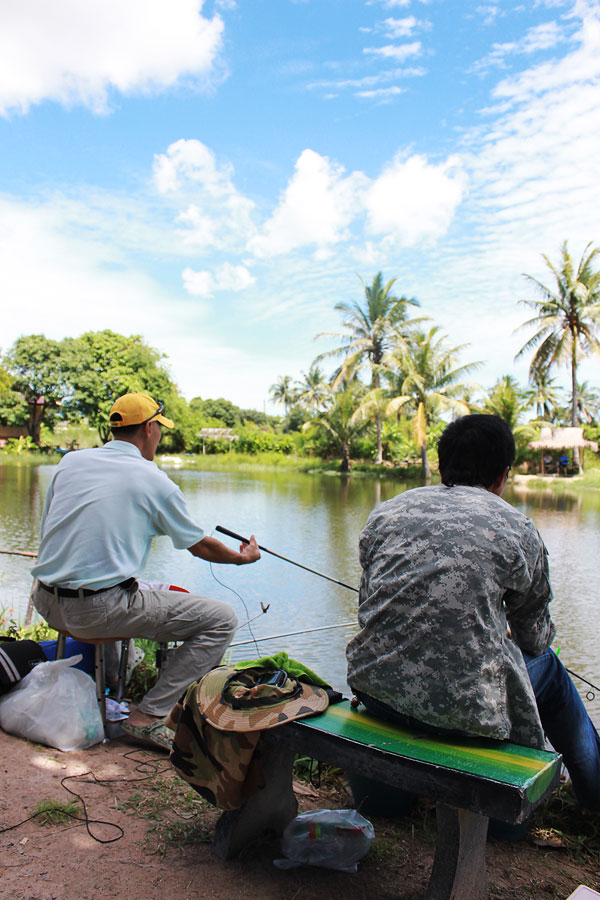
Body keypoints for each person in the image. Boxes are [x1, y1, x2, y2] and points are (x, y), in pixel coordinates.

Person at [346, 414, 600, 812]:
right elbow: (533, 638)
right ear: (502, 475)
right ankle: (595, 798)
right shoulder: (518, 528)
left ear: (443, 465)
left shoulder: (387, 512)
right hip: (466, 713)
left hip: (376, 690)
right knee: (549, 667)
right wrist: (502, 633)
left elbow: (368, 610)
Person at [31, 393, 261, 751]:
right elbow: (199, 545)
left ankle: (111, 687)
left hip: (45, 600)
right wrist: (240, 558)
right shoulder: (154, 481)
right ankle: (149, 716)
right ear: (150, 429)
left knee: (128, 588)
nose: (159, 437)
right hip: (93, 613)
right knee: (221, 618)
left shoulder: (70, 463)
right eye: (160, 430)